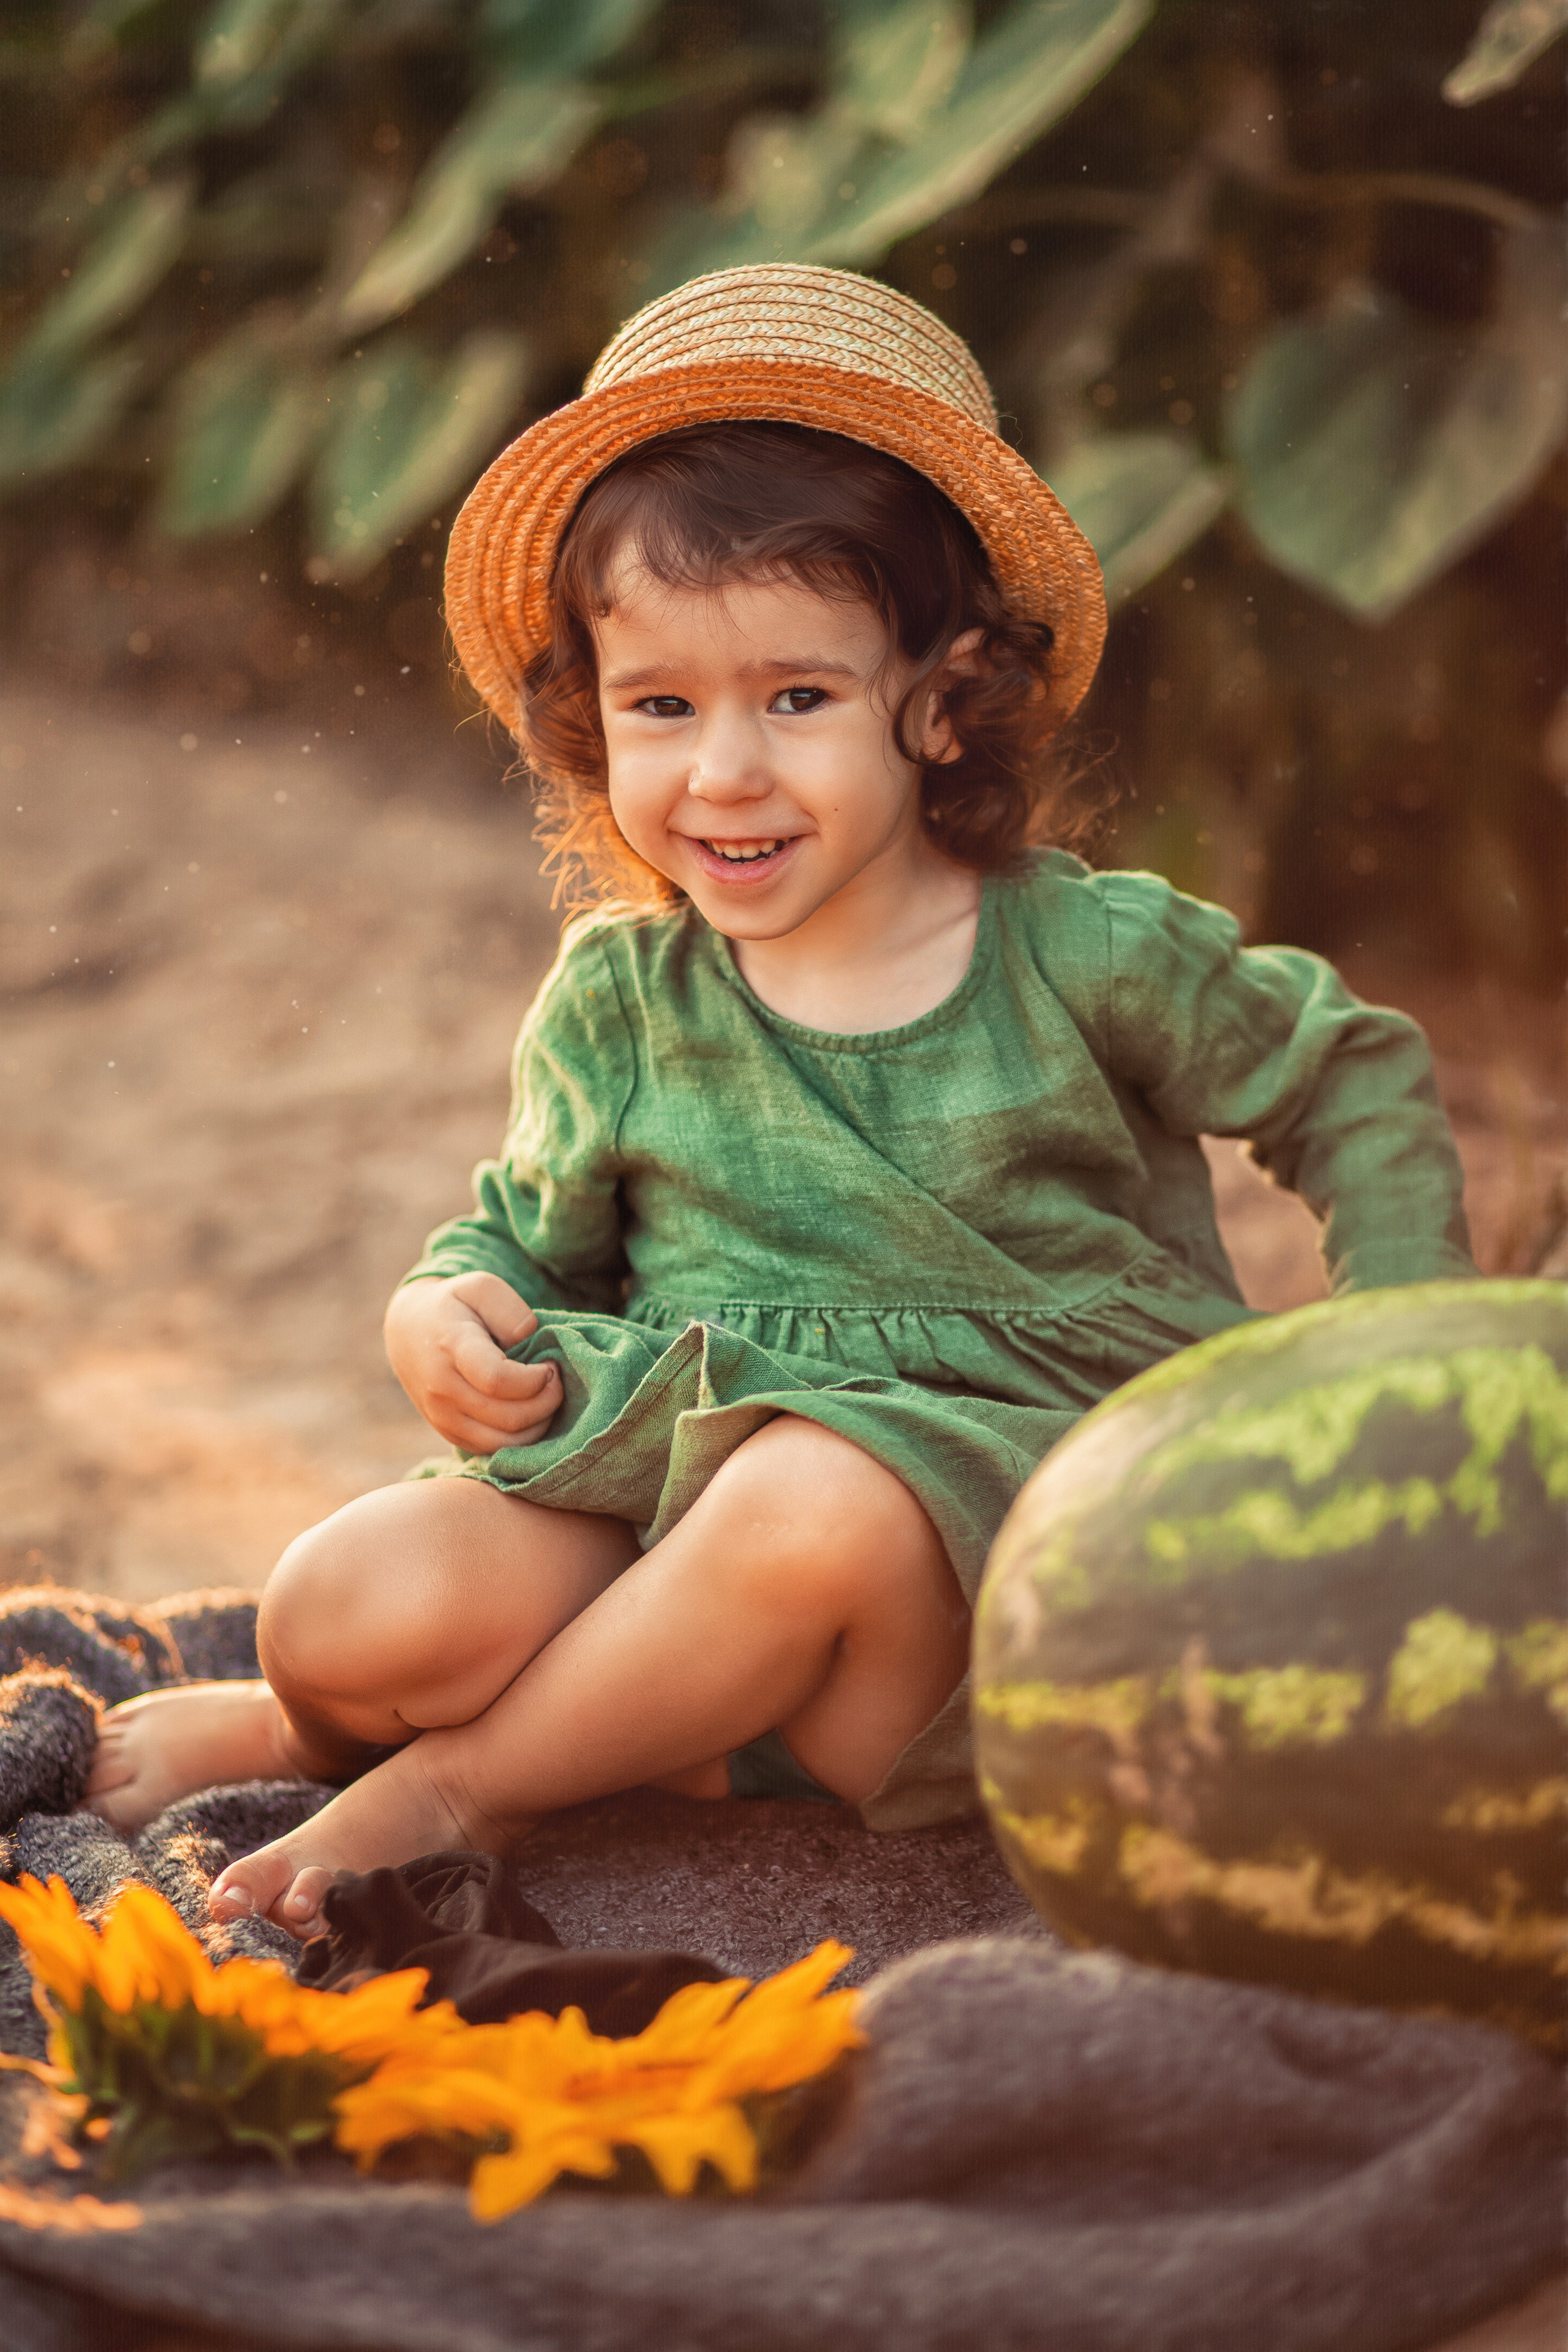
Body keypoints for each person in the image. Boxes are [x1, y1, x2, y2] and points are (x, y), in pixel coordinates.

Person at [83, 266, 1474, 1934]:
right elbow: (522, 1242)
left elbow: (1349, 1072)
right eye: (661, 706)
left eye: (796, 699)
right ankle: (350, 1723)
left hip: (970, 1568)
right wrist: (448, 1315)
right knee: (343, 1609)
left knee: (816, 1493)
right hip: (686, 1513)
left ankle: (467, 1786)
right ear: (589, 717)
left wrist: (1408, 1369)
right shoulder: (622, 998)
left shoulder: (1079, 949)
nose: (722, 771)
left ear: (946, 697)